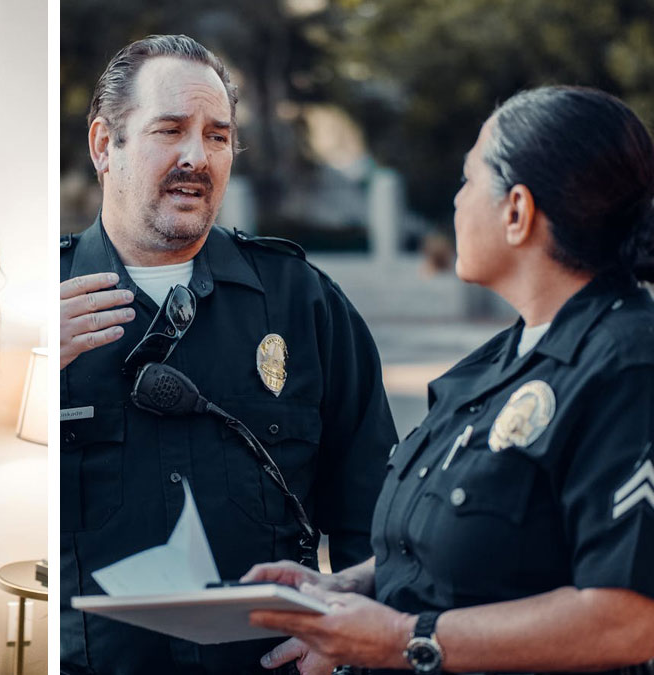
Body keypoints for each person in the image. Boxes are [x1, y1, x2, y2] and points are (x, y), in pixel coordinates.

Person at [244, 86, 654, 675]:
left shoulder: (628, 365)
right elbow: (464, 546)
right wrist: (347, 588)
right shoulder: (494, 365)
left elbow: (628, 618)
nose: (457, 203)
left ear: (517, 212)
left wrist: (402, 639)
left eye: (468, 180)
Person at [60, 34, 398, 673]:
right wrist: (25, 364)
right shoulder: (37, 304)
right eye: (170, 130)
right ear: (105, 145)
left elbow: (376, 510)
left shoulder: (302, 302)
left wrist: (350, 633)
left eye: (217, 136)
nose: (197, 156)